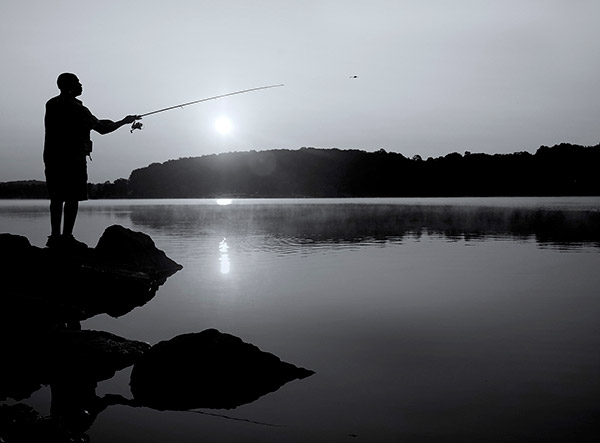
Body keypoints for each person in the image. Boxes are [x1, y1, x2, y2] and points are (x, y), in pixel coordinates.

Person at [43, 73, 140, 248]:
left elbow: (90, 122)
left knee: (56, 197)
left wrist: (109, 121)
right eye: (77, 83)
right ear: (69, 86)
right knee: (72, 197)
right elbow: (102, 129)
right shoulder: (77, 108)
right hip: (72, 158)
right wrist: (124, 121)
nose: (81, 85)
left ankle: (55, 237)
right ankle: (66, 238)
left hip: (52, 157)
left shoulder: (52, 104)